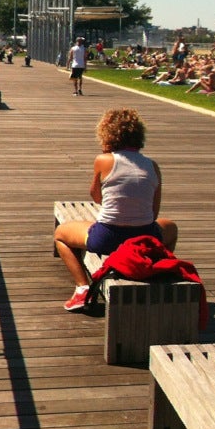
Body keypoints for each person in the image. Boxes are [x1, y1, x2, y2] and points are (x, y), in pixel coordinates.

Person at [53, 108, 178, 312]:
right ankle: (153, 269)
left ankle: (82, 287)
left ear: (107, 134)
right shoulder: (152, 166)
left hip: (108, 237)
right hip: (145, 235)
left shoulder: (104, 160)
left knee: (60, 234)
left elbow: (95, 196)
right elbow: (153, 214)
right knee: (171, 227)